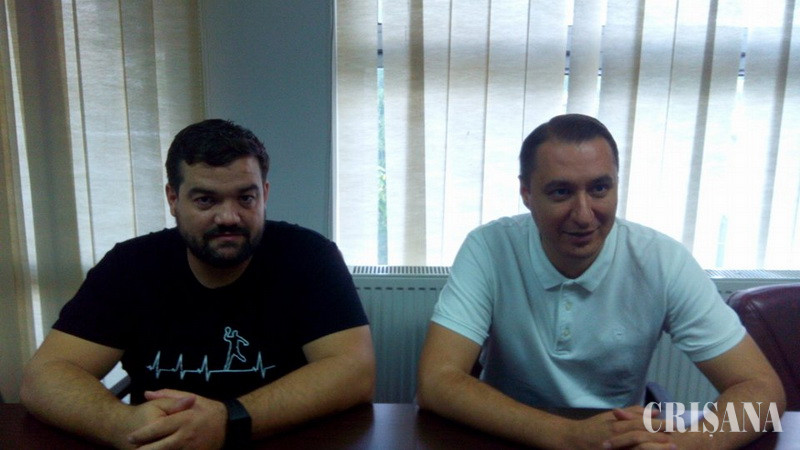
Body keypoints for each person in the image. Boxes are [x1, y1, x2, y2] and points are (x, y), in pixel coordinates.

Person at [417, 114, 786, 449]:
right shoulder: (489, 247)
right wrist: (567, 436)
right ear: (526, 193)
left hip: (617, 443)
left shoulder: (663, 260)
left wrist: (689, 443)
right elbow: (435, 381)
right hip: (507, 436)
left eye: (599, 189)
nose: (583, 215)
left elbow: (765, 393)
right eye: (561, 192)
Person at [20, 119, 375, 449]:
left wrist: (228, 420)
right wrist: (121, 424)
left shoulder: (309, 256)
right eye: (206, 200)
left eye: (246, 198)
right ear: (173, 199)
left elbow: (354, 370)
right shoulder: (130, 265)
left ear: (264, 194)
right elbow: (44, 376)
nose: (228, 217)